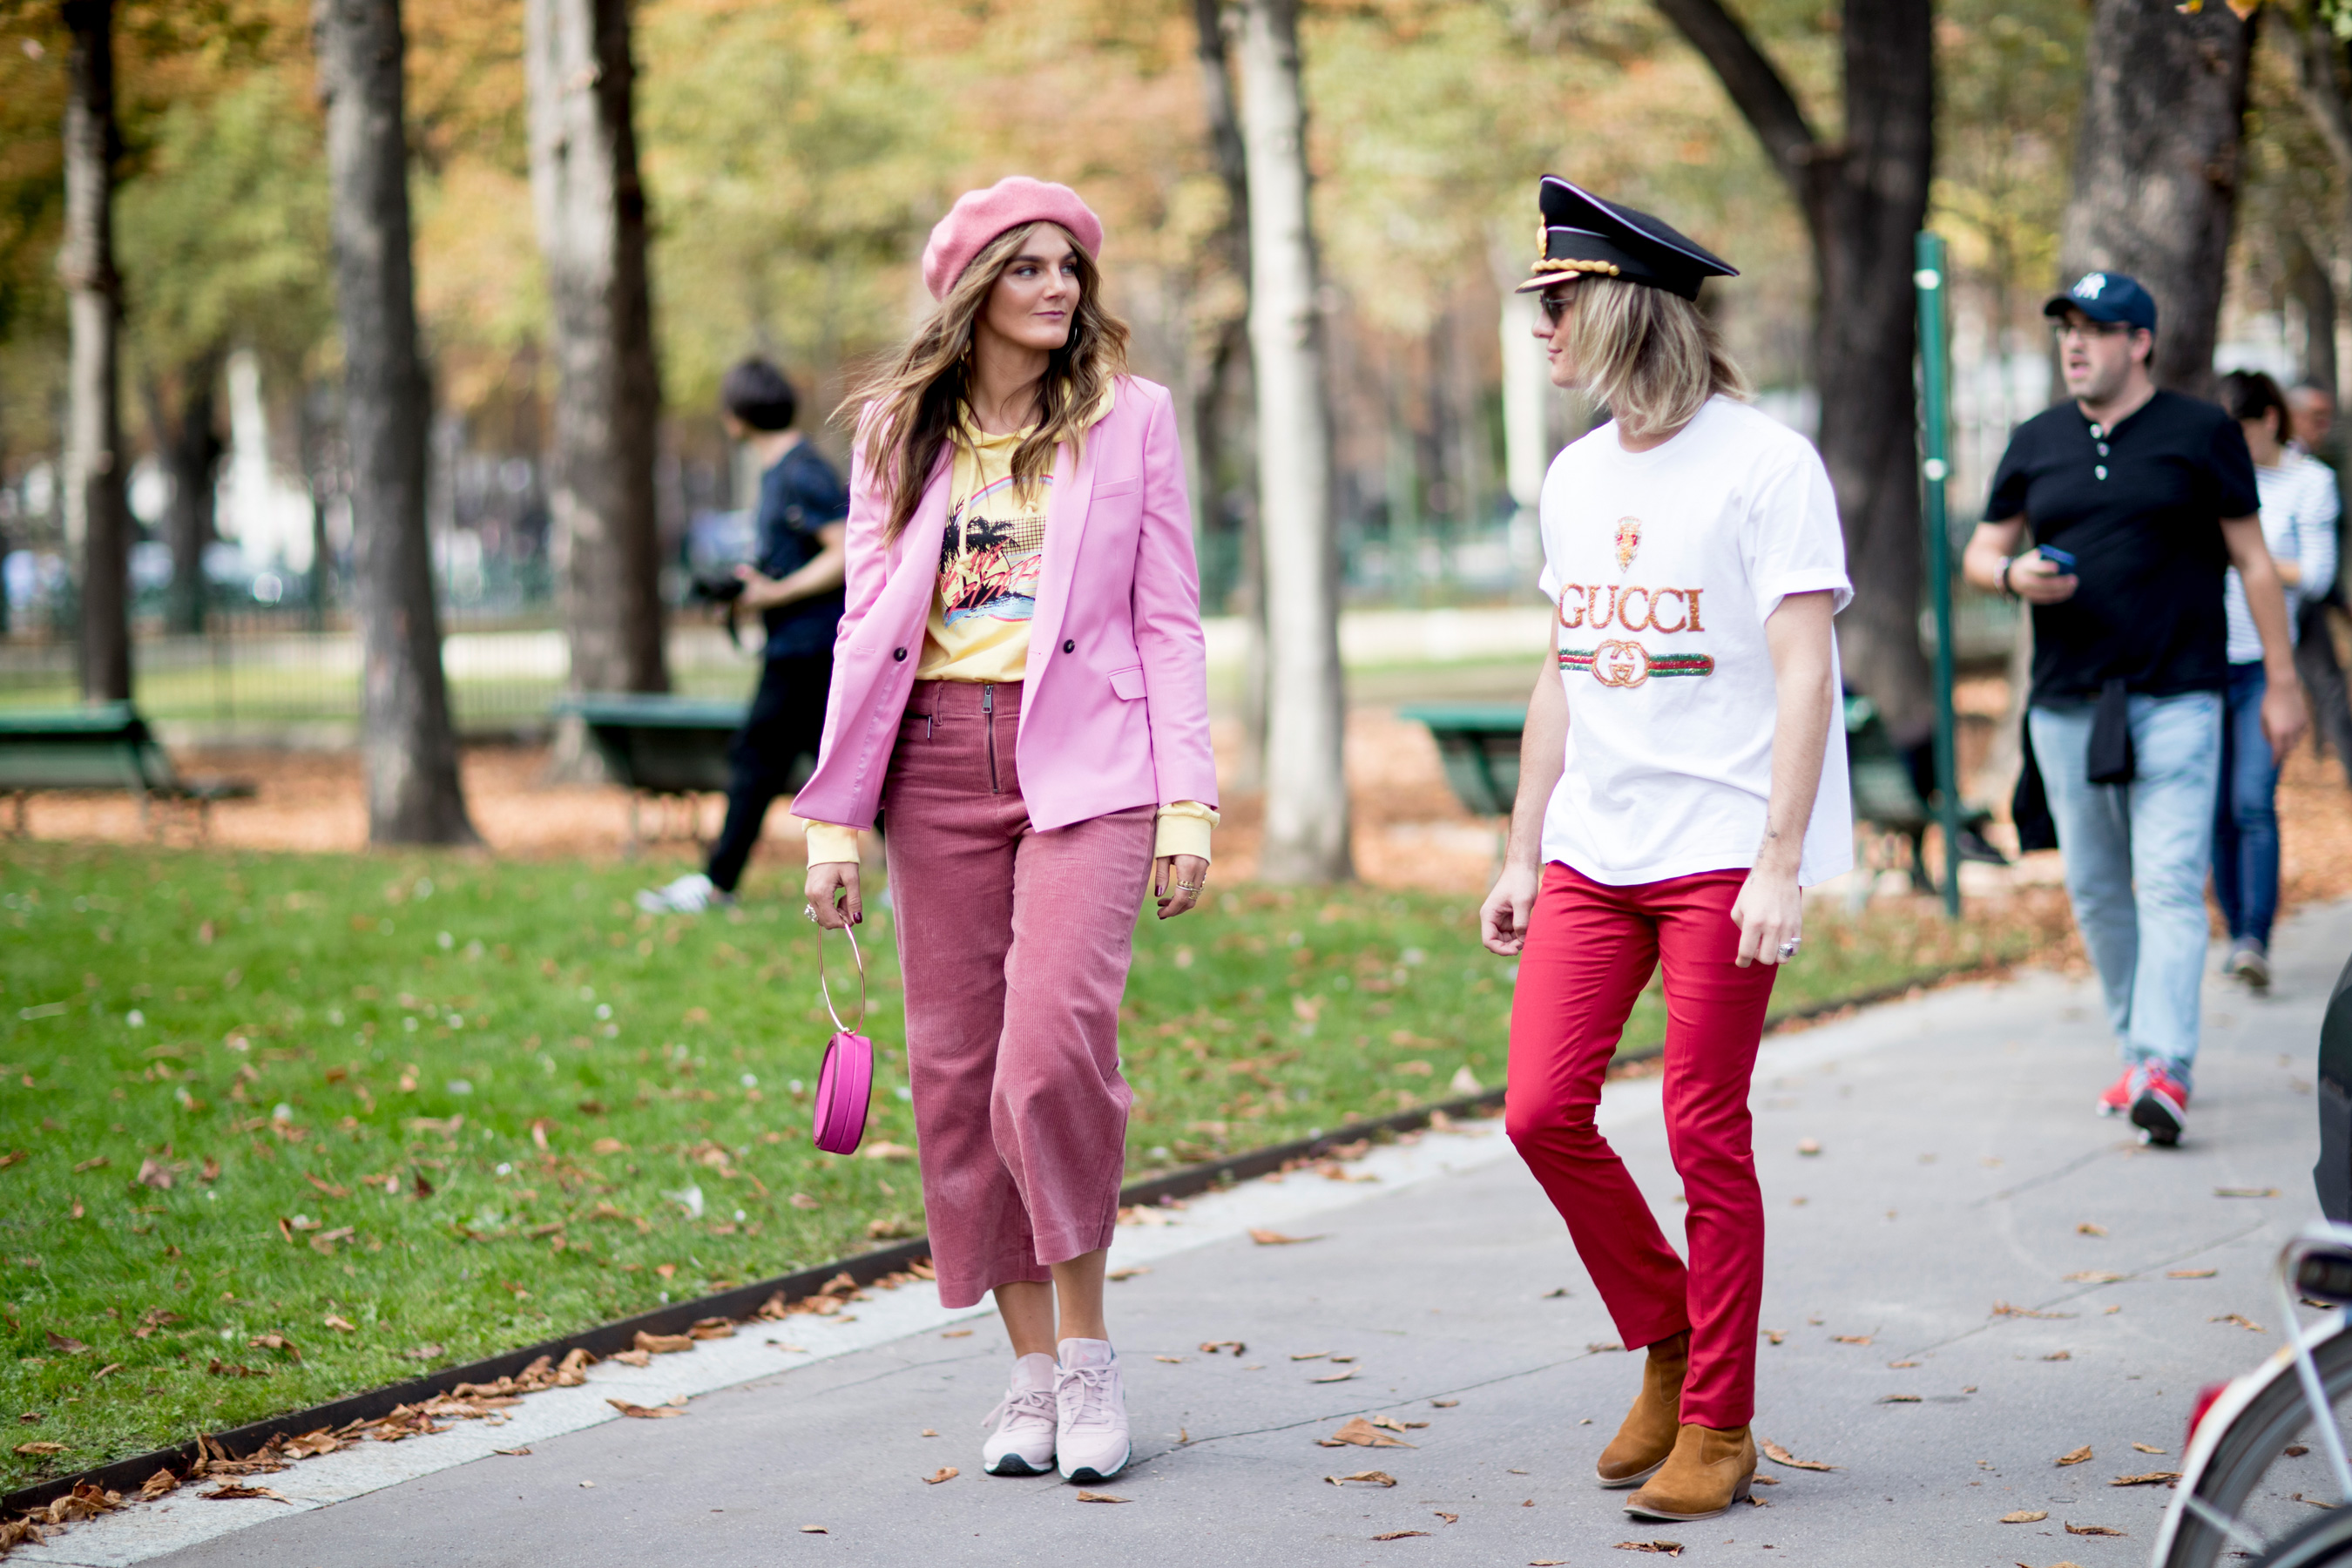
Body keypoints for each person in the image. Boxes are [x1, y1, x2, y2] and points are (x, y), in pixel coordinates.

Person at [793, 178, 1217, 1486]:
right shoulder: (898, 430)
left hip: (1090, 767)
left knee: (1047, 1059)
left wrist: (1189, 801)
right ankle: (1031, 1373)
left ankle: (1089, 1357)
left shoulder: (1131, 419)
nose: (1057, 287)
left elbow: (1168, 619)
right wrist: (832, 824)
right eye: (1027, 267)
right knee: (959, 1077)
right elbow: (865, 627)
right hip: (932, 763)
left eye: (1069, 267)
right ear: (972, 290)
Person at [1480, 175, 1850, 1524]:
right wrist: (1523, 851)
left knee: (1704, 1129)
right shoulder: (1576, 474)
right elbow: (1565, 669)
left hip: (1718, 850)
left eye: (1558, 299)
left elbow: (1805, 674)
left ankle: (1720, 1423)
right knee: (1539, 1111)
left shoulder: (1767, 464)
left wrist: (1779, 859)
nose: (1541, 325)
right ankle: (1670, 1332)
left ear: (1626, 306)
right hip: (1597, 846)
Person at [1962, 273, 2307, 1147]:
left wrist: (2281, 680)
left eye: (2095, 329)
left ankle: (2166, 1066)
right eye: (2066, 330)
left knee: (2169, 880)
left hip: (2178, 694)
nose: (2075, 345)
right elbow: (1982, 551)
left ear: (2140, 342)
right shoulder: (2036, 439)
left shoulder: (2202, 432)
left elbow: (2253, 562)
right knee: (2096, 887)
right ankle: (2139, 1050)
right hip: (2068, 703)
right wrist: (2011, 575)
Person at [639, 360, 848, 915]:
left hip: (809, 649)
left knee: (760, 758)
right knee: (824, 764)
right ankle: (718, 881)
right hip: (797, 648)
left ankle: (716, 883)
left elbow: (846, 552)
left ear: (737, 416)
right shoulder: (781, 471)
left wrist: (775, 594)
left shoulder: (802, 471)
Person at [2212, 370, 2337, 989]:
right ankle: (2237, 931)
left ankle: (2255, 938)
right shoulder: (2210, 476)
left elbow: (2316, 576)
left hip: (2267, 663)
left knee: (2252, 799)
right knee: (2216, 809)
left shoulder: (2311, 483)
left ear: (2267, 420)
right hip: (2204, 663)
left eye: (2238, 431)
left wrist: (2250, 558)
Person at [2287, 381, 2352, 788]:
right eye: (2316, 417)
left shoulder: (2312, 471)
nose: (2323, 427)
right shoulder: (2284, 469)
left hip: (2309, 596)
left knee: (2326, 683)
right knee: (2325, 684)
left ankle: (2329, 754)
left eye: (2327, 418)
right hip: (2276, 598)